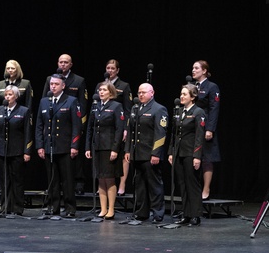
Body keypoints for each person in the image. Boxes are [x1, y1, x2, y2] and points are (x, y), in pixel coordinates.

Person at [42, 54, 90, 195]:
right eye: (61, 62)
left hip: (72, 122)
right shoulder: (50, 79)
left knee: (74, 155)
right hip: (55, 121)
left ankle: (78, 182)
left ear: (71, 64)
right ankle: (54, 187)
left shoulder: (78, 81)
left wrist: (80, 126)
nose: (63, 64)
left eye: (66, 62)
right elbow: (45, 98)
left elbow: (83, 104)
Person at [36, 74, 82, 218]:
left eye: (56, 84)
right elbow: (39, 125)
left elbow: (76, 125)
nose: (53, 86)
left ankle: (69, 208)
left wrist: (74, 145)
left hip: (65, 147)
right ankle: (53, 206)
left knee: (67, 180)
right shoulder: (44, 102)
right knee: (52, 179)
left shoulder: (71, 101)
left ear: (63, 86)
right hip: (49, 147)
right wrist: (40, 146)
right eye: (51, 84)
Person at [125, 83, 168, 223]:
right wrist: (128, 150)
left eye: (144, 92)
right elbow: (131, 132)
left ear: (152, 93)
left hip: (150, 154)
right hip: (137, 154)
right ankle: (141, 212)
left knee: (154, 185)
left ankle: (157, 213)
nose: (141, 95)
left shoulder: (159, 109)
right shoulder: (135, 108)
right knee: (139, 185)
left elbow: (160, 133)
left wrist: (156, 153)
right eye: (139, 92)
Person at [0, 84, 33, 216]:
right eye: (6, 94)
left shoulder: (23, 111)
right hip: (1, 150)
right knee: (4, 180)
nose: (7, 97)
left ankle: (18, 207)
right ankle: (5, 207)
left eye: (10, 94)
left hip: (17, 150)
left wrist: (27, 151)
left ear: (16, 96)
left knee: (17, 180)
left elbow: (27, 133)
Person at [85, 82, 126, 220]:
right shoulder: (95, 106)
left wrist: (115, 149)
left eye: (104, 90)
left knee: (109, 178)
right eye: (99, 89)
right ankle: (103, 209)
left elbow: (119, 130)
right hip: (97, 147)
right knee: (100, 179)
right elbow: (90, 128)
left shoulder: (116, 106)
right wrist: (88, 147)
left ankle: (111, 209)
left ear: (111, 92)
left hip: (109, 148)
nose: (101, 92)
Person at [168, 83, 207, 226]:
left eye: (185, 94)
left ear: (193, 96)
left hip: (191, 153)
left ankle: (195, 215)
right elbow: (174, 134)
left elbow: (199, 135)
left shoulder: (198, 112)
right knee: (182, 184)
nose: (181, 96)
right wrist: (171, 152)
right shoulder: (179, 111)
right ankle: (186, 213)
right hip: (179, 152)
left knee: (192, 184)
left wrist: (197, 156)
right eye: (181, 94)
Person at [94, 60, 133, 196]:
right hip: (104, 126)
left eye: (112, 68)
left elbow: (128, 109)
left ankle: (121, 184)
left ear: (117, 70)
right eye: (108, 68)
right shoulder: (101, 85)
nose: (110, 70)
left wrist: (126, 128)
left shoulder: (124, 86)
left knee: (121, 155)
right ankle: (103, 185)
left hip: (119, 124)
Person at [191, 60, 221, 200]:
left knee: (207, 158)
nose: (193, 70)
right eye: (193, 68)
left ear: (204, 71)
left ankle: (206, 188)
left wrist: (210, 129)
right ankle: (194, 189)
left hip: (205, 126)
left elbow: (214, 109)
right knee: (193, 157)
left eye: (196, 68)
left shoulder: (211, 87)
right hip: (191, 126)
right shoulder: (192, 86)